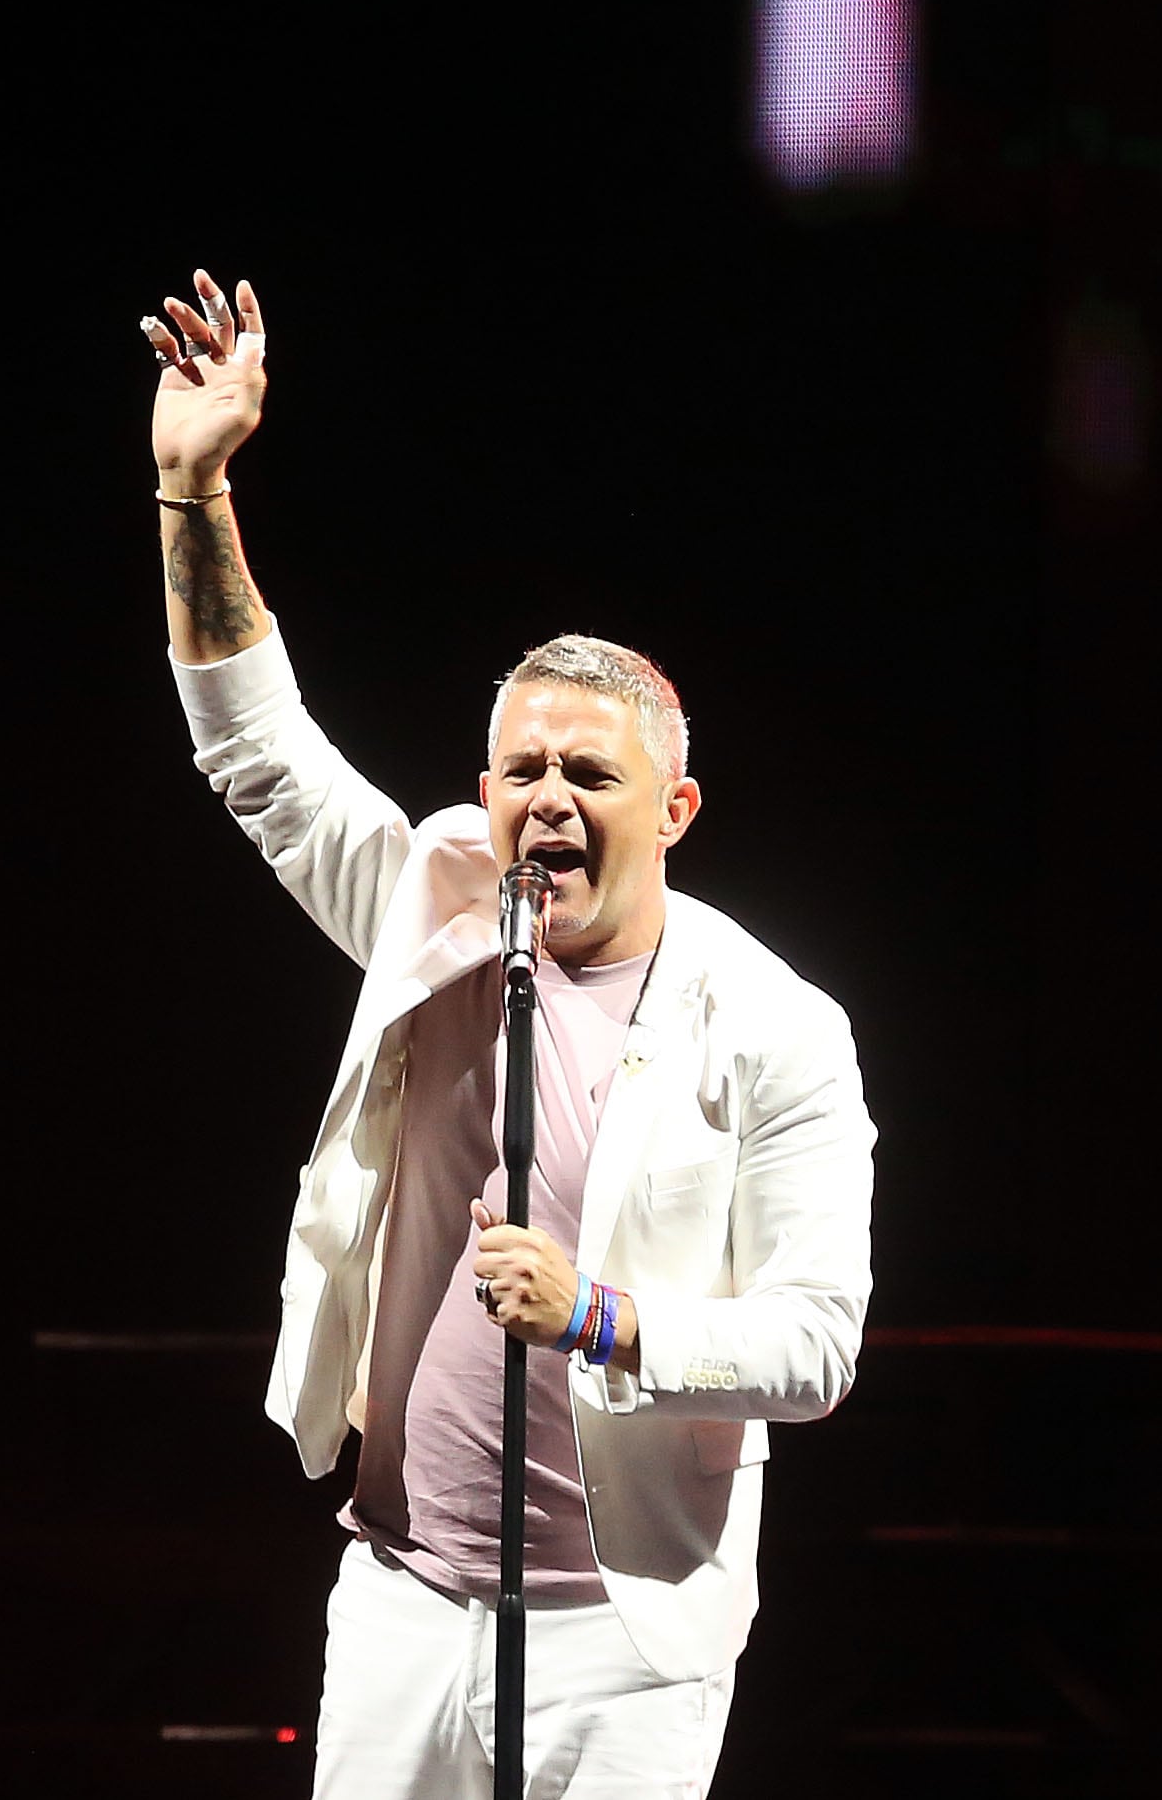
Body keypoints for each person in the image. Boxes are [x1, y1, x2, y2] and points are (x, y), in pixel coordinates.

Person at [137, 271, 875, 1798]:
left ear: (671, 811)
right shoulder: (437, 909)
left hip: (621, 1639)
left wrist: (600, 1317)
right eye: (521, 767)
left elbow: (816, 1346)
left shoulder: (776, 1028)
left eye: (591, 775)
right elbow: (257, 757)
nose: (548, 797)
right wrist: (192, 491)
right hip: (405, 1597)